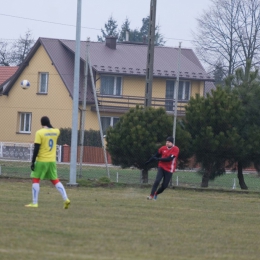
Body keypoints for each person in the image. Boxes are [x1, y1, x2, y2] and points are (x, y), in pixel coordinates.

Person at [25, 116, 70, 209]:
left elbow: (36, 148)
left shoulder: (39, 133)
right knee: (55, 180)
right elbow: (53, 129)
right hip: (52, 161)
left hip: (42, 160)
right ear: (49, 122)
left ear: (41, 123)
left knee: (35, 179)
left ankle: (34, 202)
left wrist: (33, 161)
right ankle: (66, 199)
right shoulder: (56, 131)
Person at [145, 136, 179, 200]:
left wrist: (158, 159)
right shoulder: (163, 148)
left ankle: (156, 193)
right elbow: (155, 155)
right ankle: (151, 196)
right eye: (166, 142)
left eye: (169, 142)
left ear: (172, 143)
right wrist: (148, 161)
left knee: (164, 186)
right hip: (161, 167)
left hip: (169, 169)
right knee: (157, 181)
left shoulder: (176, 149)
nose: (167, 143)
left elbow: (169, 159)